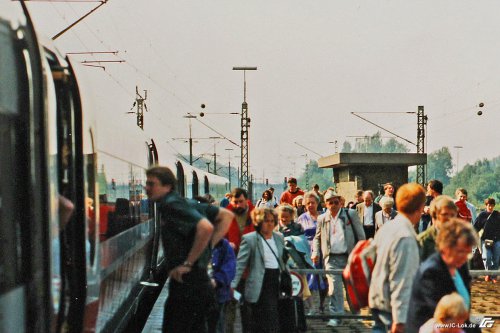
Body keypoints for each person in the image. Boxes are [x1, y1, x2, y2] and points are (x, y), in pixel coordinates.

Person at [145, 166, 233, 333]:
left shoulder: (171, 204)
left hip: (187, 284)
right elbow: (226, 216)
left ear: (167, 186)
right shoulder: (186, 202)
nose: (147, 188)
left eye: (151, 184)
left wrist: (189, 261)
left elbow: (205, 227)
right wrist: (208, 248)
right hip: (198, 283)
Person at [369, 183, 426, 333]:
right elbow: (402, 279)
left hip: (378, 299)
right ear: (420, 207)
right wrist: (400, 320)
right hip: (392, 309)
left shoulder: (387, 228)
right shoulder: (406, 236)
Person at [406, 218, 479, 333]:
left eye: (468, 253)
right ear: (446, 247)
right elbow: (442, 316)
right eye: (460, 252)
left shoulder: (460, 266)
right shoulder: (430, 272)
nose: (465, 258)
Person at [312, 189, 365, 327]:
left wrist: (360, 253)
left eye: (336, 202)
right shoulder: (322, 218)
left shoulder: (350, 214)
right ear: (326, 204)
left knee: (351, 287)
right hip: (331, 258)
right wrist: (315, 252)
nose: (334, 205)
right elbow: (317, 238)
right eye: (331, 203)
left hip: (349, 256)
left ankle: (356, 314)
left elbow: (360, 235)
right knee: (334, 288)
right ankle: (336, 316)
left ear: (340, 202)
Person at [231, 207, 286, 333]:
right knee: (264, 318)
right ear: (259, 222)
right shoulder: (250, 239)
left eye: (272, 221)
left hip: (276, 280)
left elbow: (282, 260)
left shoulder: (279, 237)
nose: (270, 224)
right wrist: (233, 284)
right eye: (266, 221)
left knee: (274, 316)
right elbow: (240, 264)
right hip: (260, 281)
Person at [224, 187, 255, 333]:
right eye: (235, 202)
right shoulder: (225, 215)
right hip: (231, 269)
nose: (238, 205)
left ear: (246, 200)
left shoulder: (255, 215)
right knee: (230, 302)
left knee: (248, 305)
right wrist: (226, 245)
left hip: (250, 269)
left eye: (241, 202)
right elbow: (219, 238)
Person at [297, 191, 328, 314]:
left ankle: (322, 305)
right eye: (308, 203)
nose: (310, 205)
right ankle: (312, 306)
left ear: (318, 203)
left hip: (324, 249)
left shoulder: (324, 215)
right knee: (310, 278)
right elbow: (298, 235)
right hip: (308, 250)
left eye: (313, 203)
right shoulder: (301, 218)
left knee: (324, 278)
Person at [208, 238, 236, 333]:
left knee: (217, 324)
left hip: (218, 293)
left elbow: (230, 267)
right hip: (201, 292)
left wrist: (217, 280)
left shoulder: (224, 245)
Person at [417, 196, 458, 261]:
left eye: (452, 215)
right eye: (445, 214)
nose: (449, 218)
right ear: (434, 215)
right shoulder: (422, 241)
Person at [473, 197, 500, 283]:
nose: (490, 207)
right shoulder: (482, 215)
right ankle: (488, 273)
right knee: (487, 257)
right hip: (485, 240)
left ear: (494, 206)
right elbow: (475, 228)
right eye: (489, 205)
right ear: (486, 205)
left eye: (492, 205)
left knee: (496, 258)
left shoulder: (497, 215)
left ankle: (494, 276)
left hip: (497, 240)